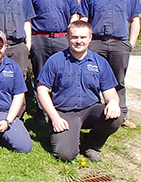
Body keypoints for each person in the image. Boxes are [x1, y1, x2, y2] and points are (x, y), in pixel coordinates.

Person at [37, 21, 123, 162]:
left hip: (91, 110)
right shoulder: (55, 60)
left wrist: (113, 102)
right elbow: (41, 89)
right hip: (64, 113)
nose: (79, 41)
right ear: (67, 37)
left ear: (90, 38)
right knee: (65, 155)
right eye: (75, 37)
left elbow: (110, 91)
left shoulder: (99, 62)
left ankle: (91, 144)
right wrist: (54, 118)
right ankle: (65, 134)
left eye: (83, 37)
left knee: (116, 116)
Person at [80, 0, 141, 129]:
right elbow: (84, 19)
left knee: (118, 80)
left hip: (119, 44)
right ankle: (93, 112)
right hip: (96, 43)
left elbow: (135, 19)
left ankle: (121, 115)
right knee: (91, 78)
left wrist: (131, 44)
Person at [28, 0, 81, 123]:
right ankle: (41, 110)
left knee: (63, 74)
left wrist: (70, 35)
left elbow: (75, 14)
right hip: (40, 40)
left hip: (61, 39)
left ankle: (61, 108)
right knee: (40, 76)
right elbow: (28, 19)